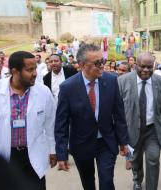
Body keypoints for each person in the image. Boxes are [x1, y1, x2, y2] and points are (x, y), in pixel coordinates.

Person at [55, 44, 129, 190]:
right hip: (81, 144)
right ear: (82, 65)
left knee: (107, 182)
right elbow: (61, 124)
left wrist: (123, 141)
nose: (102, 66)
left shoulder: (112, 81)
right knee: (88, 183)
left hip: (106, 142)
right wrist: (61, 154)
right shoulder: (68, 87)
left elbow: (119, 114)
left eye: (103, 61)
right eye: (97, 63)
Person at [0, 51, 57, 190]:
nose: (35, 73)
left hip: (33, 154)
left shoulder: (43, 92)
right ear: (15, 71)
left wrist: (53, 150)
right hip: (7, 154)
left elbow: (50, 124)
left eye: (35, 69)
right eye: (29, 70)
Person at [118, 52, 161, 190]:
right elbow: (118, 111)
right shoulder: (123, 81)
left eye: (149, 67)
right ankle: (137, 180)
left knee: (153, 159)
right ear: (135, 65)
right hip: (132, 129)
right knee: (135, 159)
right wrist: (120, 135)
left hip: (153, 129)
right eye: (142, 66)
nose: (146, 70)